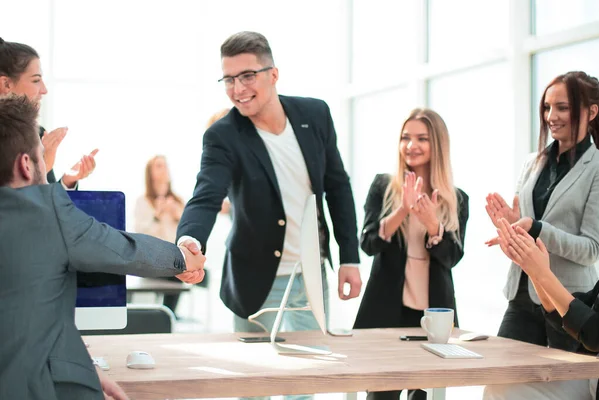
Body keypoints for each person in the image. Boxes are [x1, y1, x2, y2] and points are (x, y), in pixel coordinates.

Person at [0, 95, 206, 400]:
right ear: (27, 165)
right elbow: (121, 249)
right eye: (43, 156)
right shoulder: (46, 213)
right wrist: (184, 259)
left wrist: (84, 368)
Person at [177, 31, 362, 340]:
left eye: (248, 76)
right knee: (253, 384)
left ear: (273, 74)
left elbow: (338, 188)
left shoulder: (315, 115)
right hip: (253, 277)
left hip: (310, 274)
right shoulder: (223, 136)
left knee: (308, 375)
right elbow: (206, 197)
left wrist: (349, 258)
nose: (238, 89)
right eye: (229, 79)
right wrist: (188, 241)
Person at [353, 108, 469, 400]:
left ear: (437, 145)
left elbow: (453, 258)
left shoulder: (456, 198)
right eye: (405, 137)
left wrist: (434, 226)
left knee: (424, 395)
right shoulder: (383, 186)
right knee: (381, 395)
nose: (411, 145)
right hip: (386, 310)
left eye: (421, 138)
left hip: (433, 315)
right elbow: (368, 244)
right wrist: (402, 210)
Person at [485, 71, 599, 352]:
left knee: (562, 392)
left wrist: (536, 229)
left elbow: (591, 249)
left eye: (563, 107)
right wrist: (512, 228)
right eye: (547, 107)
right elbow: (526, 224)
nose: (551, 116)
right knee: (501, 384)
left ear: (592, 111)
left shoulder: (597, 168)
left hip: (570, 302)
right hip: (521, 295)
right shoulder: (532, 163)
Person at [483, 219, 598, 400]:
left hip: (593, 374)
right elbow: (581, 308)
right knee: (500, 388)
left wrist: (543, 273)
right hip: (592, 374)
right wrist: (533, 271)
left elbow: (594, 333)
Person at [0, 38, 97, 189]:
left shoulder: (37, 134)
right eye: (36, 80)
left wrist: (67, 181)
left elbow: (46, 203)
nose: (44, 90)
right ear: (6, 84)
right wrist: (41, 168)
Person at [134, 155, 186, 313]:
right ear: (150, 173)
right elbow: (140, 234)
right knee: (149, 308)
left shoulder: (178, 202)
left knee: (171, 303)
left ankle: (170, 319)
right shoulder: (142, 201)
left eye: (165, 165)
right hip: (151, 262)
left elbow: (186, 236)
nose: (164, 169)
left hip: (174, 265)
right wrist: (157, 215)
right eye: (159, 166)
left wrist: (176, 215)